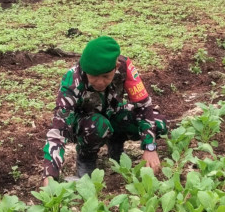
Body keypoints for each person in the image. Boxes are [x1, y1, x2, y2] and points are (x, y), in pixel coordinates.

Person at [42, 36, 168, 185]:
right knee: (98, 125)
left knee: (159, 124)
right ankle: (86, 158)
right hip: (85, 125)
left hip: (112, 112)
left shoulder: (125, 67)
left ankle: (116, 144)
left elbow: (143, 106)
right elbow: (59, 130)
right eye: (94, 77)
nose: (100, 82)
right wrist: (50, 175)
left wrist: (150, 147)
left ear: (116, 66)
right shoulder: (73, 80)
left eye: (106, 76)